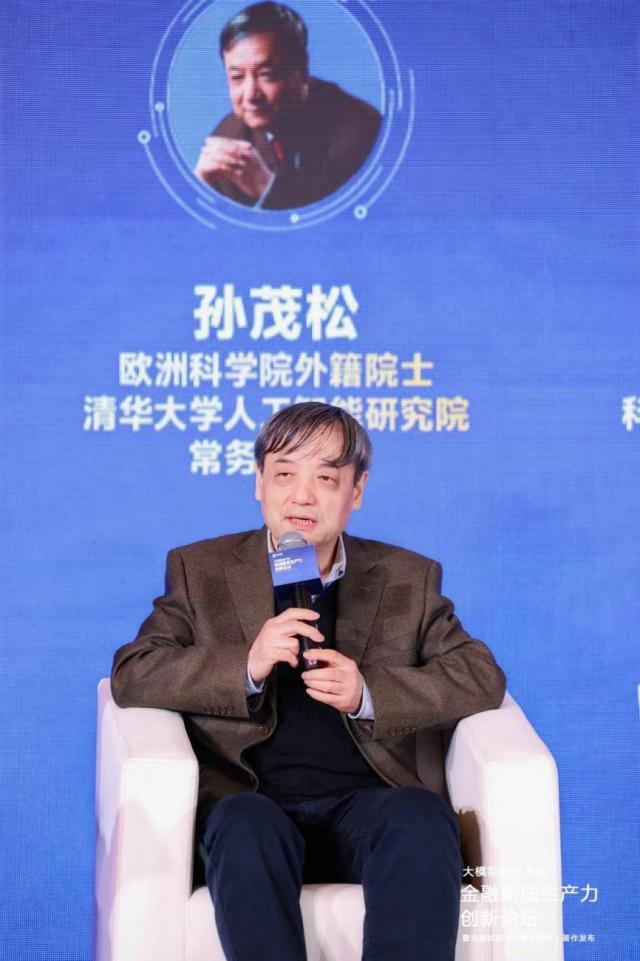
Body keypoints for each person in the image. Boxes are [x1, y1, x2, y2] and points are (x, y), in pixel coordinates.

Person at [111, 402, 506, 961]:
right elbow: (134, 671)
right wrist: (246, 665)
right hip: (254, 804)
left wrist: (368, 692)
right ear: (259, 483)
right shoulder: (200, 570)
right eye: (284, 474)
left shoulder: (407, 577)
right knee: (244, 824)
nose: (302, 496)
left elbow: (479, 675)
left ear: (356, 491)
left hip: (367, 806)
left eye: (325, 478)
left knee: (420, 817)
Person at [193, 2, 382, 209]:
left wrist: (269, 188)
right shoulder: (230, 137)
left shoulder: (362, 134)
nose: (250, 95)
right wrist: (198, 191)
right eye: (237, 77)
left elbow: (349, 224)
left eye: (267, 75)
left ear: (302, 68)